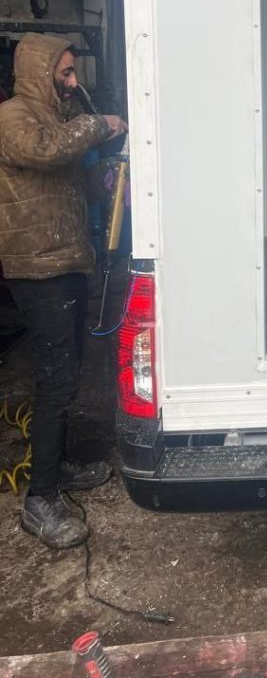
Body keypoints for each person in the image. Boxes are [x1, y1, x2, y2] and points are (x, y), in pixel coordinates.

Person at [0, 34, 127, 549]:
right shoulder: (13, 117)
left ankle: (57, 465)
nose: (73, 82)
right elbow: (45, 151)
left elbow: (71, 182)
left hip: (68, 261)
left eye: (75, 72)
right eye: (66, 72)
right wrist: (100, 125)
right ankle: (41, 500)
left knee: (67, 374)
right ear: (40, 70)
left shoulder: (57, 120)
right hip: (38, 270)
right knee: (55, 381)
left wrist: (107, 180)